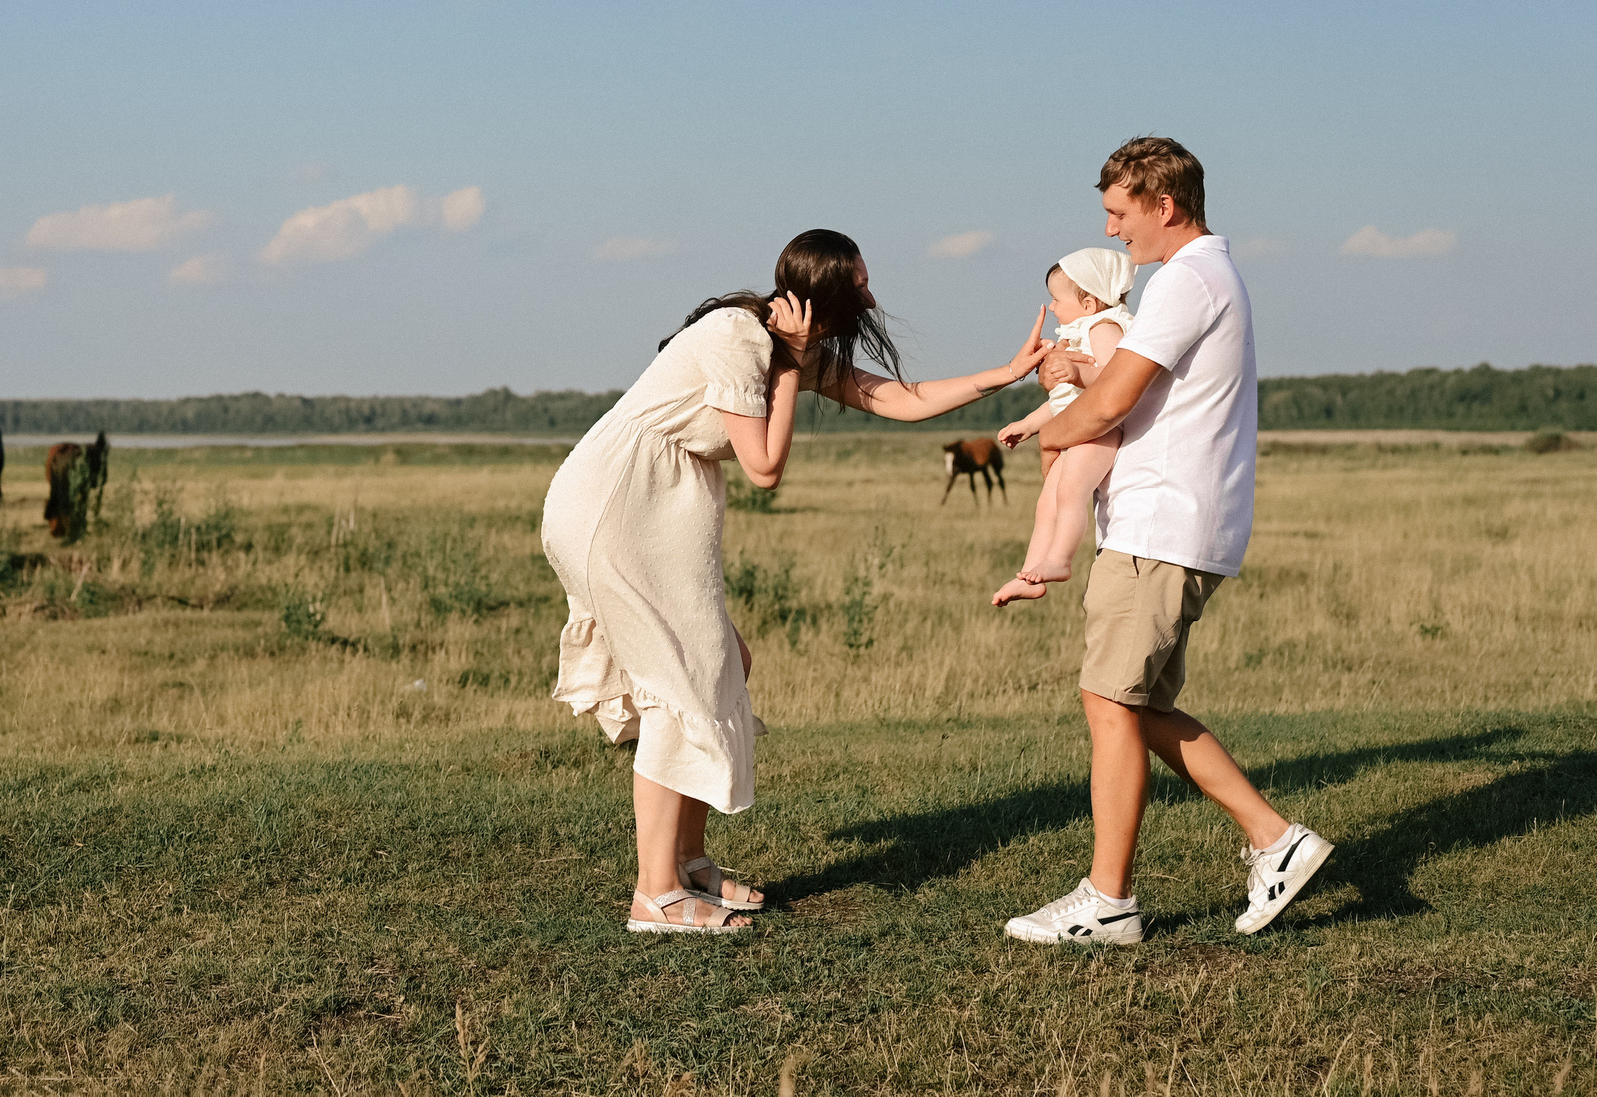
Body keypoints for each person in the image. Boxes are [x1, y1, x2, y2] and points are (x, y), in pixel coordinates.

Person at [543, 228, 1049, 933]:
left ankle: (687, 865)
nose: (871, 296)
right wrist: (796, 363)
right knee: (680, 681)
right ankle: (655, 895)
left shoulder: (782, 352)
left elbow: (896, 397)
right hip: (616, 503)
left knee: (724, 661)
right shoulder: (738, 336)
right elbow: (764, 466)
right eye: (861, 284)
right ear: (824, 293)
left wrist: (1001, 374)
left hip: (653, 506)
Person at [1004, 138, 1333, 946]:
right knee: (1139, 702)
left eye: (1119, 213)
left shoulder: (1185, 280)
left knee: (1108, 698)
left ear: (1164, 205)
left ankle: (1108, 899)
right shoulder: (1208, 275)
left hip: (1162, 524)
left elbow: (1114, 397)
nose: (1114, 232)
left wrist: (1052, 425)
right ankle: (1275, 839)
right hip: (1177, 523)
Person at [991, 248, 1135, 610]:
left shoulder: (1104, 328)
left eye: (1057, 299)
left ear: (1088, 302)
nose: (1052, 307)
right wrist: (1028, 424)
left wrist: (1076, 372)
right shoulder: (1078, 332)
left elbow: (1116, 380)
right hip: (1075, 431)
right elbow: (1061, 402)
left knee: (1070, 492)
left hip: (1098, 431)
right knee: (1047, 503)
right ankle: (1030, 574)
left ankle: (1061, 561)